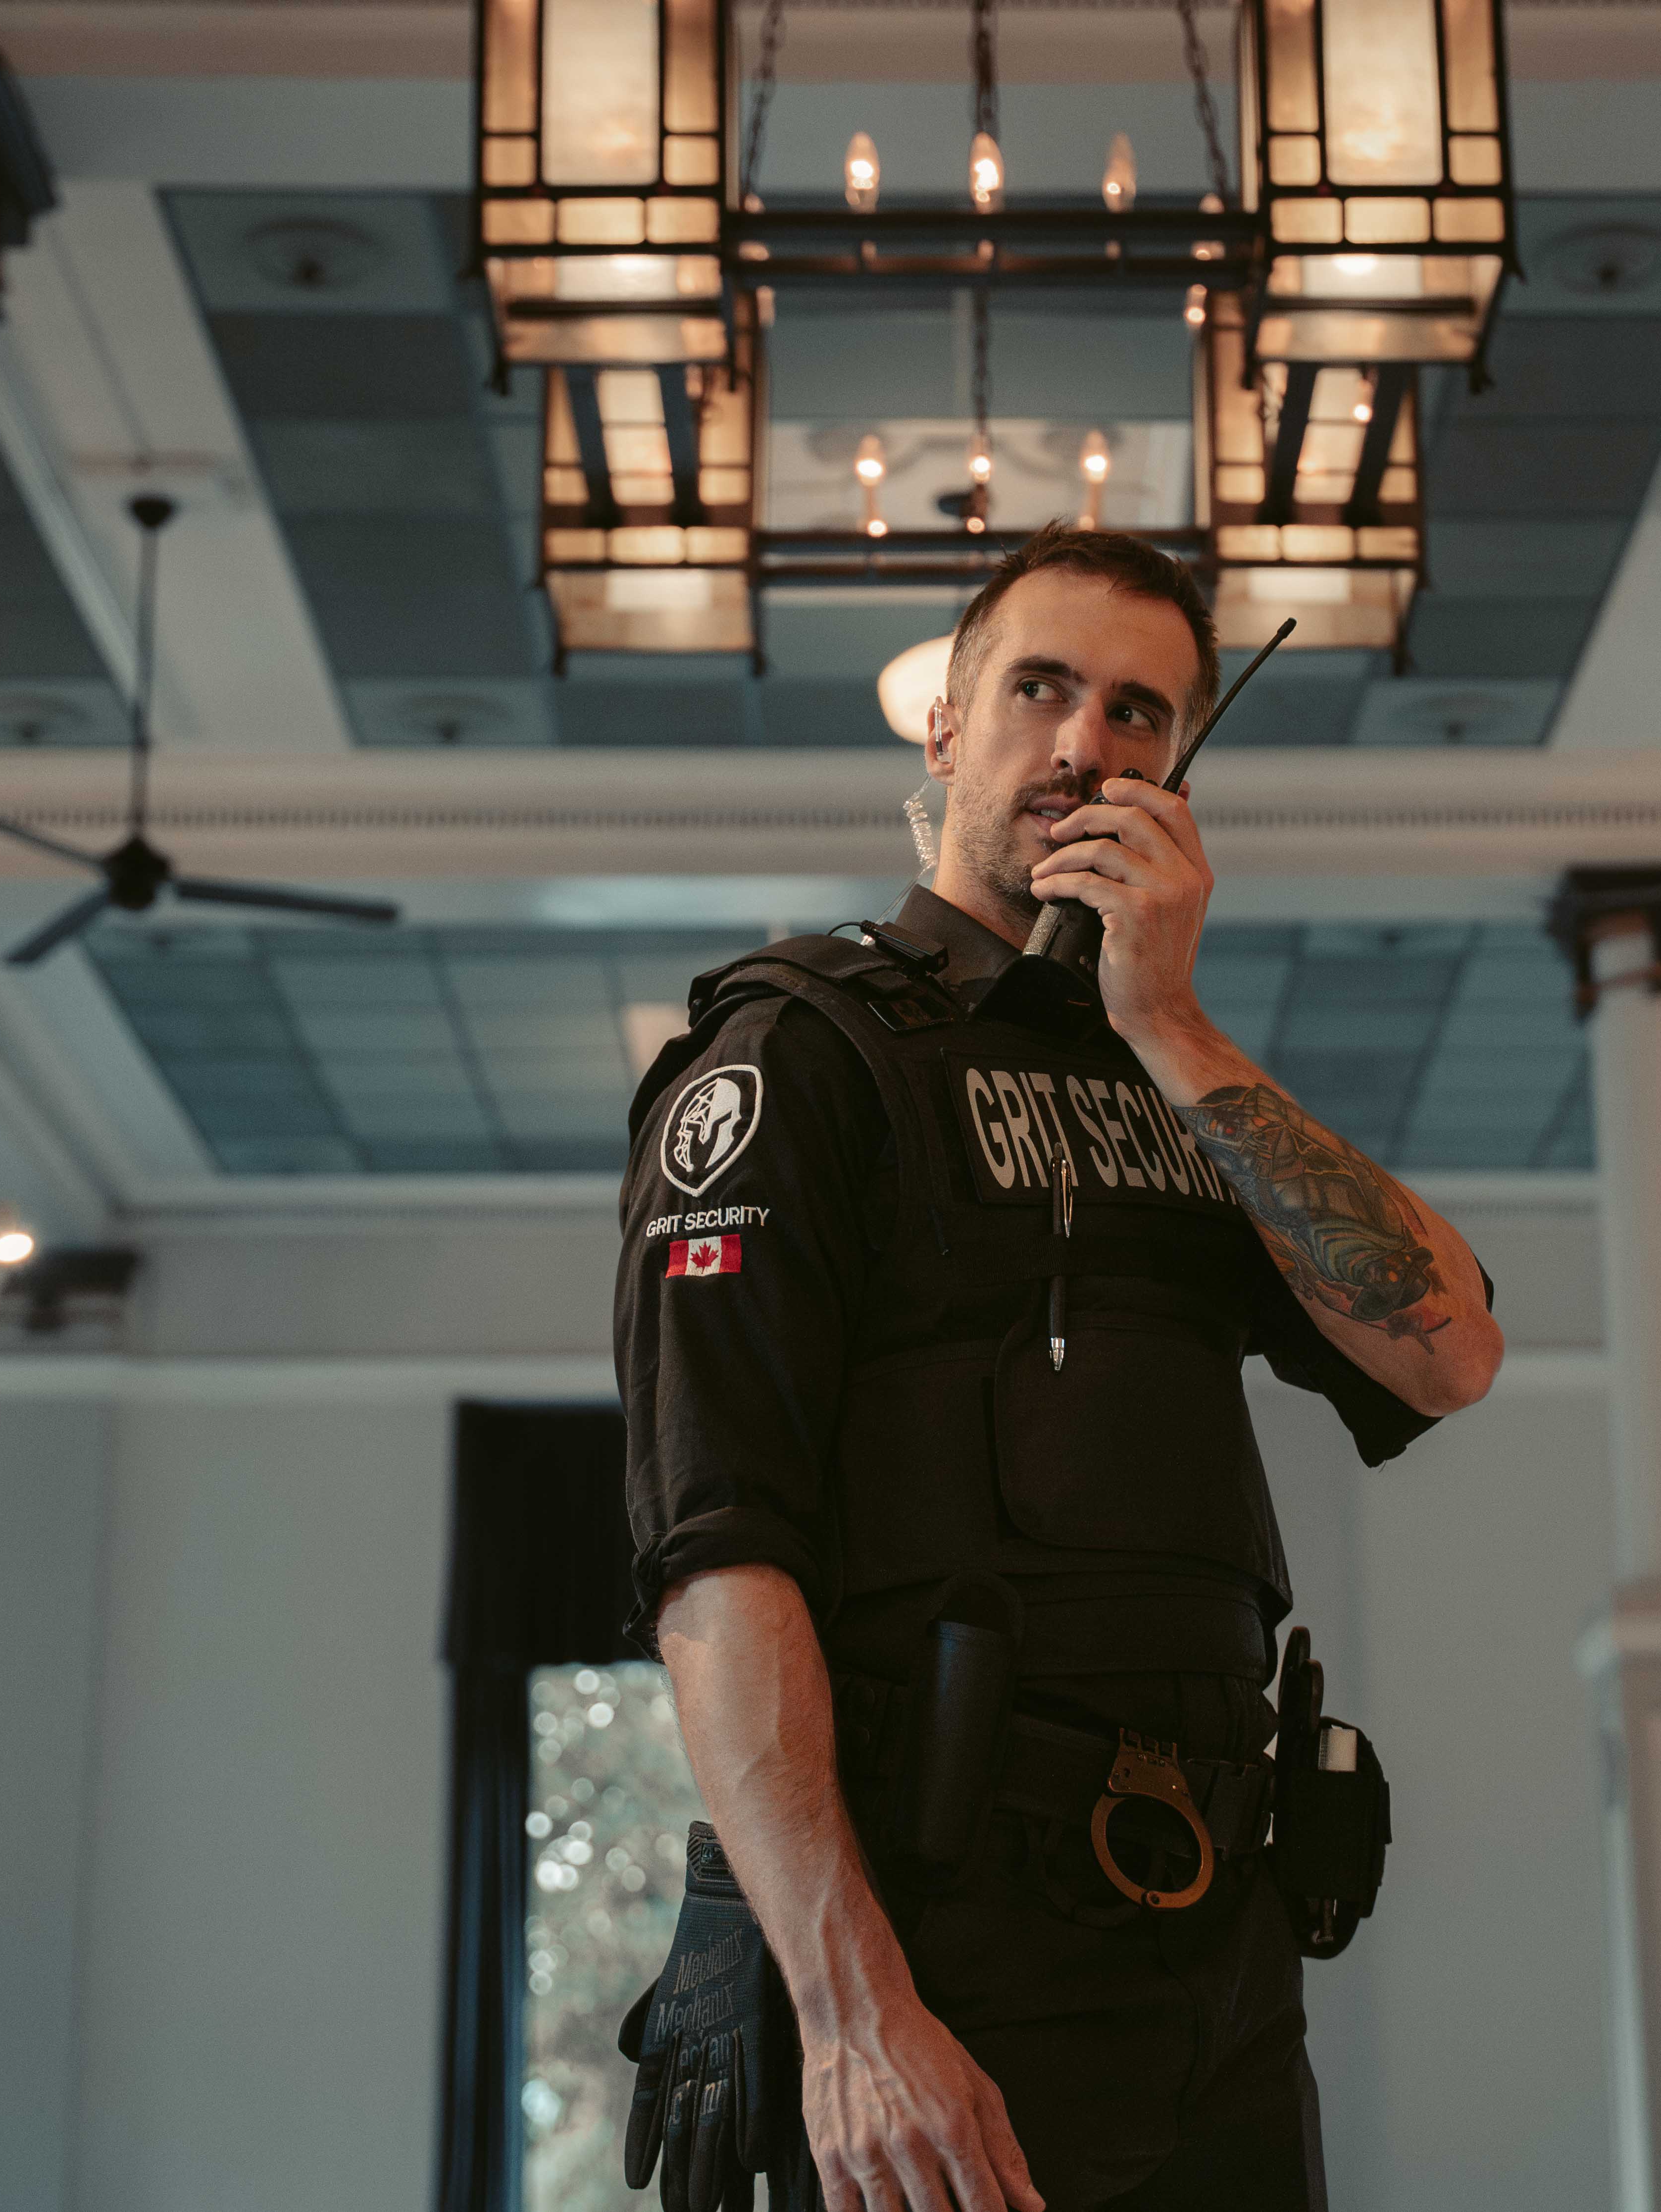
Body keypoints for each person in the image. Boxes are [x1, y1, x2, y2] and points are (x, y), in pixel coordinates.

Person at [616, 524, 1502, 2212]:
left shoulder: (1189, 1090)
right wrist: (852, 2015)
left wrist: (1172, 1027)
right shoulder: (793, 1061)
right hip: (924, 1959)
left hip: (1213, 1969)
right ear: (946, 725)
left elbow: (1451, 1347)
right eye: (1040, 688)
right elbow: (715, 1567)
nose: (1087, 743)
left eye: (1142, 713)